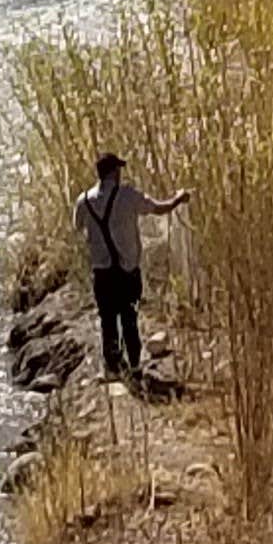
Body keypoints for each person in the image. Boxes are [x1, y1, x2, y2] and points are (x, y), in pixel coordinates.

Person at [73, 149, 190, 386]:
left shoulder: (83, 200)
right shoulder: (128, 196)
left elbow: (78, 226)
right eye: (118, 169)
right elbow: (159, 208)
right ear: (114, 172)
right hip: (127, 271)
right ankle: (135, 366)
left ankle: (113, 367)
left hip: (102, 272)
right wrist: (178, 198)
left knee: (107, 320)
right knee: (129, 317)